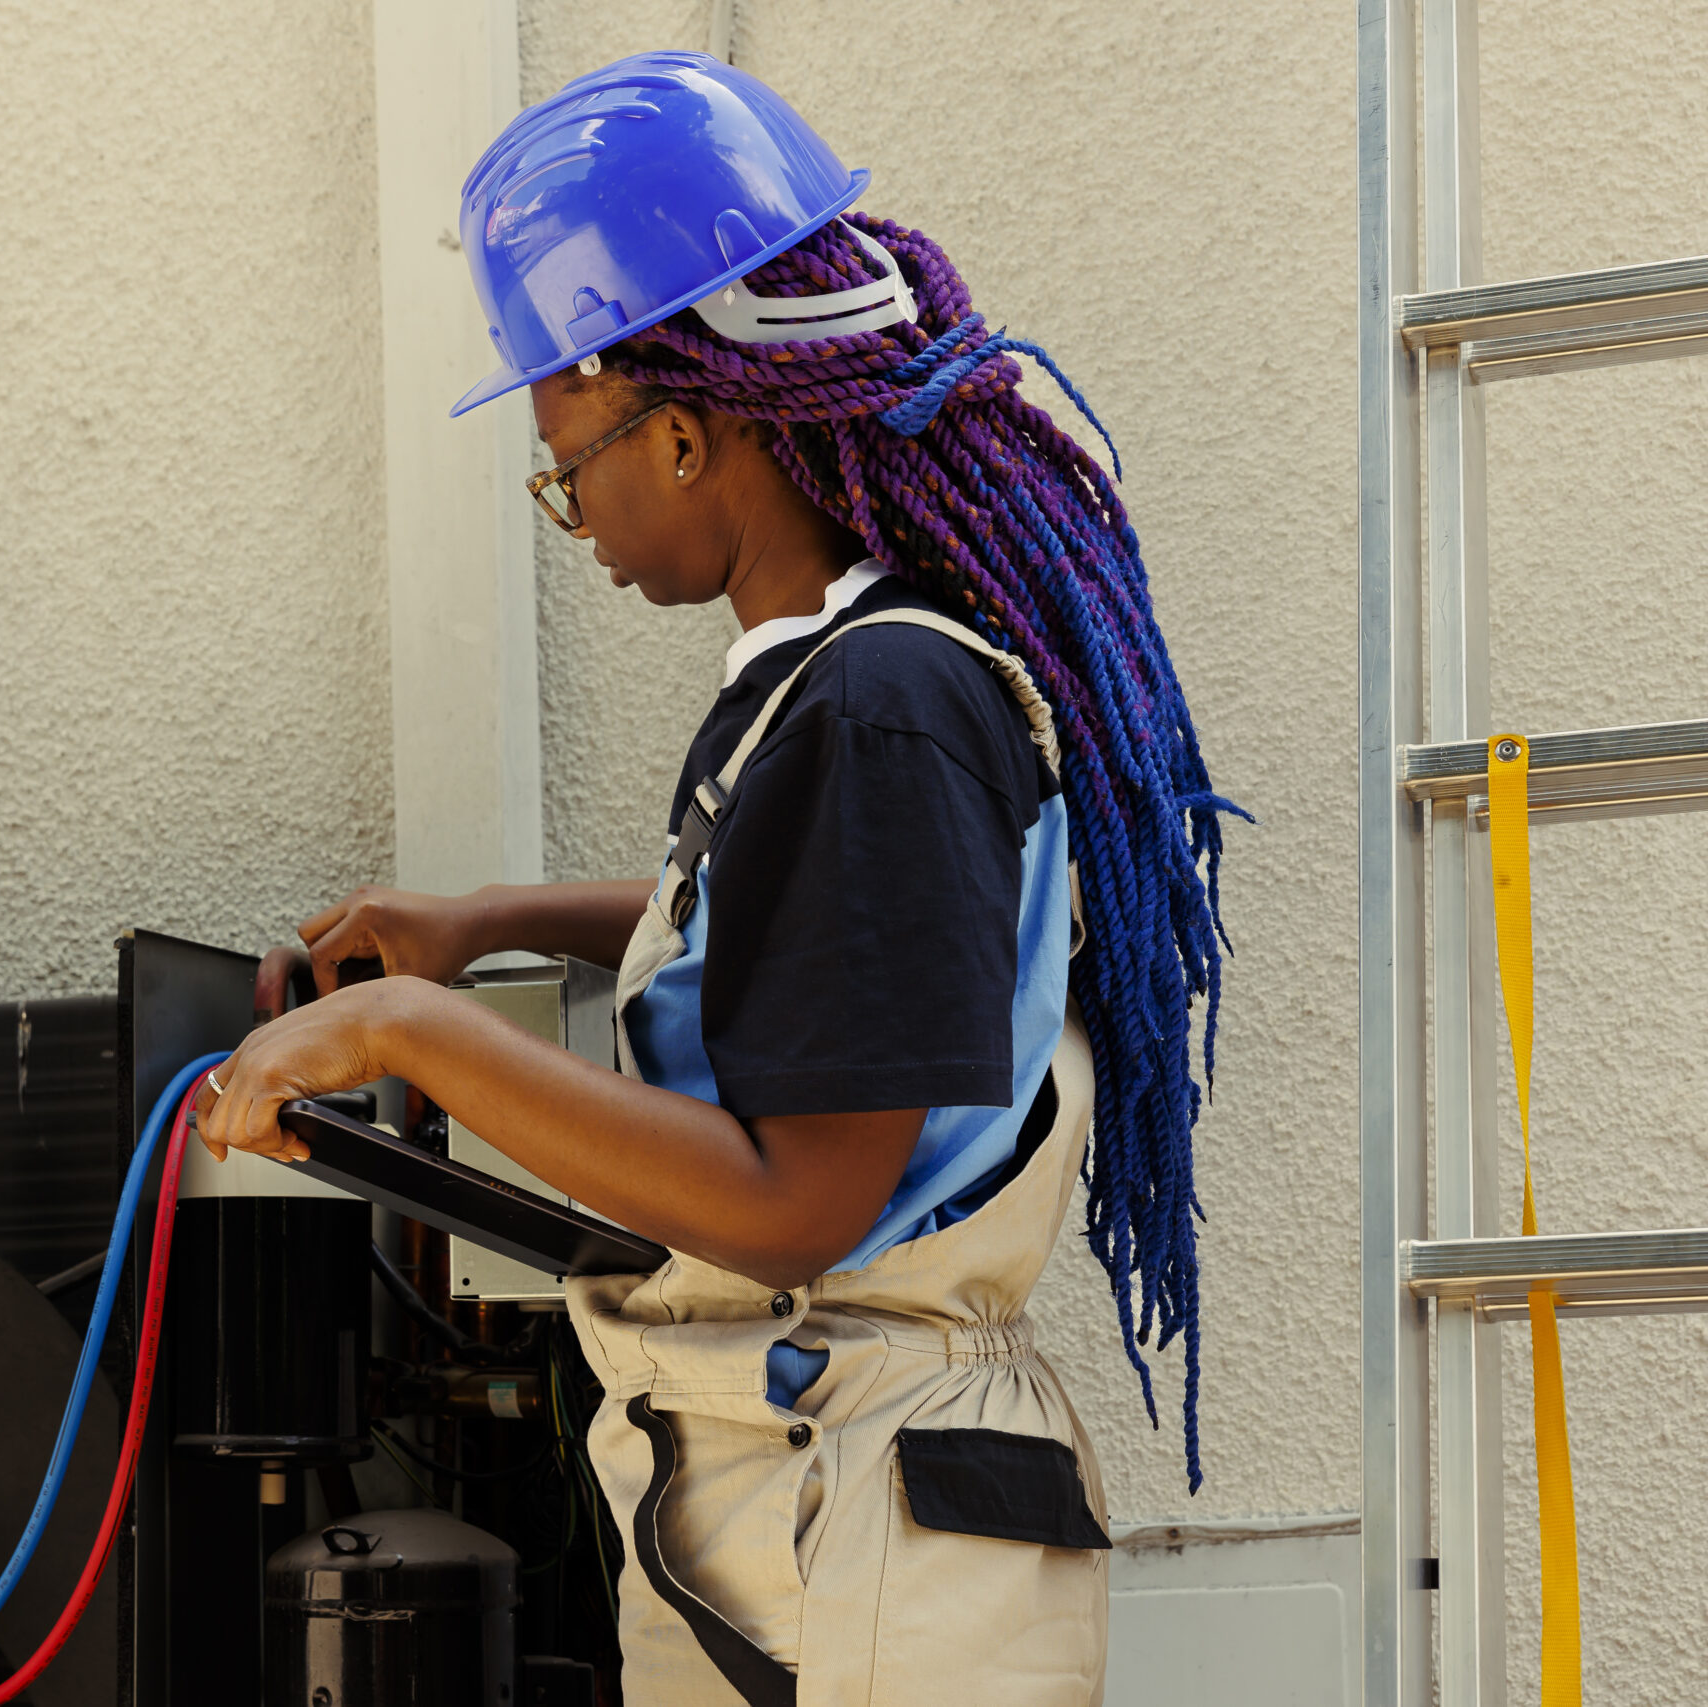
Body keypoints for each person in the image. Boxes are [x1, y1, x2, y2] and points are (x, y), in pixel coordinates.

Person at [191, 51, 1237, 1705]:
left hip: (869, 1513)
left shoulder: (889, 705)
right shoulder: (836, 687)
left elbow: (798, 1201)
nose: (575, 513)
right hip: (820, 1486)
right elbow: (818, 945)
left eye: (568, 463)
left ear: (683, 432)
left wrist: (412, 1030)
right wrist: (492, 924)